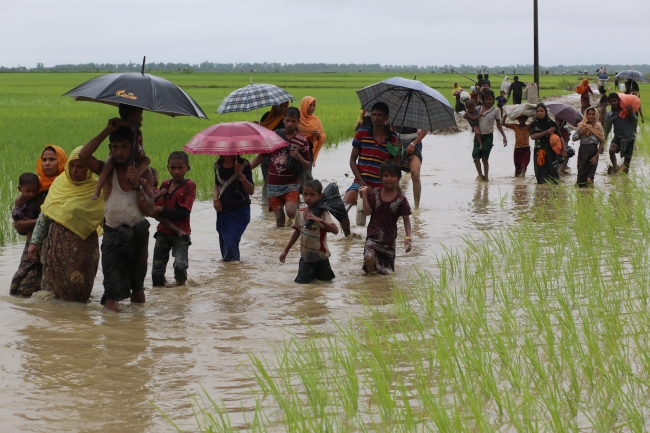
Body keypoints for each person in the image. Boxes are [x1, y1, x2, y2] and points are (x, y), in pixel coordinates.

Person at [78, 120, 155, 312]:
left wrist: (137, 184)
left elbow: (149, 210)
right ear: (110, 148)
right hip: (112, 235)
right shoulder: (107, 169)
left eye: (124, 147)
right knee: (111, 290)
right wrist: (107, 130)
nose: (119, 152)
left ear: (133, 148)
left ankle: (137, 330)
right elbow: (83, 154)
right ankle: (113, 337)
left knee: (137, 285)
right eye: (115, 147)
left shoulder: (145, 174)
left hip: (138, 233)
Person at [26, 147, 104, 303]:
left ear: (89, 168)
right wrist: (34, 242)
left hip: (83, 249)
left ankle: (76, 322)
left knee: (78, 293)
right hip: (55, 246)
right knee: (52, 293)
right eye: (72, 165)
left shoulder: (98, 188)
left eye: (80, 166)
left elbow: (108, 218)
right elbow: (46, 215)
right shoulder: (60, 184)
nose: (75, 170)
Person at [10, 145, 68, 297]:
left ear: (61, 162)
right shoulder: (35, 187)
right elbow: (20, 222)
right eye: (44, 160)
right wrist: (22, 225)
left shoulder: (66, 186)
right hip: (34, 243)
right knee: (21, 289)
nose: (47, 163)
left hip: (58, 244)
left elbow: (57, 216)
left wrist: (26, 224)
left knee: (57, 290)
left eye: (52, 160)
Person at [341, 102, 400, 236]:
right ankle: (348, 237)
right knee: (342, 209)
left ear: (387, 117)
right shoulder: (361, 134)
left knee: (382, 219)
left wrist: (398, 150)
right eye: (373, 114)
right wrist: (362, 183)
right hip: (361, 182)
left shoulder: (393, 138)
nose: (376, 118)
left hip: (381, 185)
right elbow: (352, 160)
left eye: (380, 115)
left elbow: (395, 168)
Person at [251, 107, 311, 227]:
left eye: (293, 121)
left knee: (291, 211)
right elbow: (261, 156)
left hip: (291, 183)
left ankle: (296, 227)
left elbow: (307, 165)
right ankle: (281, 241)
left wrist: (298, 157)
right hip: (273, 183)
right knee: (279, 219)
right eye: (287, 120)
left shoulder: (302, 141)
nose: (290, 124)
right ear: (283, 120)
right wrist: (245, 169)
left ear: (298, 122)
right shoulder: (273, 137)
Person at [279, 179, 338, 283]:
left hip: (321, 258)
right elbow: (297, 232)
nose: (308, 198)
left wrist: (319, 220)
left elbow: (335, 230)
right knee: (301, 285)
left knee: (325, 284)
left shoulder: (323, 213)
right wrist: (285, 251)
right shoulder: (300, 213)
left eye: (312, 195)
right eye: (305, 194)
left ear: (320, 196)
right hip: (305, 257)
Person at [151, 151, 196, 286]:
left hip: (181, 232)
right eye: (173, 168)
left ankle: (181, 292)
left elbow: (183, 214)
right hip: (163, 231)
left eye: (180, 168)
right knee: (156, 273)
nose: (176, 171)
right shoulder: (165, 184)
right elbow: (157, 204)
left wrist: (161, 210)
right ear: (168, 168)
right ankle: (163, 299)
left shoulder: (189, 186)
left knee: (180, 267)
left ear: (187, 168)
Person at [359, 161, 411, 275]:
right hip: (372, 238)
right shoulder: (375, 193)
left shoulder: (401, 200)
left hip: (388, 242)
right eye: (386, 175)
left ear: (398, 178)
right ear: (381, 178)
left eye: (392, 176)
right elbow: (368, 212)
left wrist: (408, 237)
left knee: (386, 274)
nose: (389, 179)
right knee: (369, 259)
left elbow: (406, 220)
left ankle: (376, 286)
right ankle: (371, 283)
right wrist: (364, 194)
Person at [91, 105, 151, 200]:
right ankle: (97, 191)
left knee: (147, 160)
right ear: (132, 116)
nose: (142, 118)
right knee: (107, 167)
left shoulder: (137, 130)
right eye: (140, 114)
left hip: (134, 151)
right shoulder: (121, 125)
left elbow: (139, 145)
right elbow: (114, 121)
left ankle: (137, 175)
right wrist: (128, 123)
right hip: (116, 154)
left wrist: (138, 155)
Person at [214, 154, 254, 262]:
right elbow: (217, 185)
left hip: (240, 211)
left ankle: (231, 268)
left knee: (231, 240)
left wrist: (240, 174)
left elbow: (251, 191)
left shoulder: (244, 164)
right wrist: (215, 198)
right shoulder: (217, 165)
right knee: (225, 242)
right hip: (223, 211)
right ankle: (231, 271)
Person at [471, 90, 508, 182]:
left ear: (493, 100)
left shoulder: (496, 110)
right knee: (475, 156)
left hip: (488, 136)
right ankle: (480, 175)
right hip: (478, 136)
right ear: (483, 99)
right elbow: (472, 118)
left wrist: (504, 136)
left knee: (485, 158)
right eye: (486, 99)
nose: (488, 101)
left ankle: (486, 178)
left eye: (490, 99)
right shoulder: (478, 109)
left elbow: (498, 124)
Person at [259, 102, 289, 205]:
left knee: (278, 179)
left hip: (279, 155)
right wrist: (257, 126)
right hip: (265, 153)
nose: (282, 108)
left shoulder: (286, 119)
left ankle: (277, 203)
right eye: (280, 105)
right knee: (267, 179)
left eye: (285, 106)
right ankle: (266, 204)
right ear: (274, 105)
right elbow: (260, 133)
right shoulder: (267, 116)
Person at [529, 103, 566, 184]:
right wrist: (546, 132)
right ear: (536, 113)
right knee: (540, 176)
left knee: (553, 176)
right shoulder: (534, 124)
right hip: (538, 152)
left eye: (542, 111)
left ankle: (554, 194)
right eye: (538, 111)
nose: (540, 113)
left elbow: (561, 137)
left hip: (551, 152)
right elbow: (532, 136)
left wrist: (564, 150)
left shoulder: (552, 124)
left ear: (545, 112)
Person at [394, 126, 428, 209]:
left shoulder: (418, 113)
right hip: (397, 141)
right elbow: (390, 128)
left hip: (414, 141)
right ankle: (402, 201)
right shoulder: (395, 113)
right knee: (393, 176)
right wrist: (394, 138)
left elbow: (425, 129)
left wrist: (413, 143)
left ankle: (416, 207)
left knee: (415, 174)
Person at [605, 93, 638, 174]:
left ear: (619, 101)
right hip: (618, 137)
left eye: (615, 101)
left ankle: (625, 181)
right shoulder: (609, 115)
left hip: (630, 138)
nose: (613, 103)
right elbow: (606, 130)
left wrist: (631, 113)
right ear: (609, 103)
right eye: (611, 101)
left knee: (627, 166)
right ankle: (615, 168)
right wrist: (602, 143)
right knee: (611, 150)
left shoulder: (626, 110)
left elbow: (635, 121)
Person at [573, 107, 605, 187]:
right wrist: (581, 133)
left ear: (596, 115)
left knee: (589, 179)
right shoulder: (581, 126)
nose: (591, 116)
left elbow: (602, 141)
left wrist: (596, 156)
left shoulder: (598, 127)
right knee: (580, 181)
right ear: (586, 115)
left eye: (593, 114)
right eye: (589, 114)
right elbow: (573, 138)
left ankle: (591, 196)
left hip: (593, 153)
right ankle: (582, 197)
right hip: (583, 154)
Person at [298, 96, 327, 166]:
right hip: (295, 150)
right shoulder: (296, 117)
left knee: (307, 174)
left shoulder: (316, 121)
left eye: (314, 105)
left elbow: (323, 136)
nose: (312, 107)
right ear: (304, 105)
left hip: (308, 152)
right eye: (310, 105)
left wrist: (318, 135)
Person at [12, 173, 40, 239]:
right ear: (19, 189)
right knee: (30, 232)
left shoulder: (37, 198)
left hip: (33, 222)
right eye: (28, 191)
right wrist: (30, 221)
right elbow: (18, 214)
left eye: (34, 191)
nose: (31, 194)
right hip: (25, 223)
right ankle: (29, 246)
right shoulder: (19, 200)